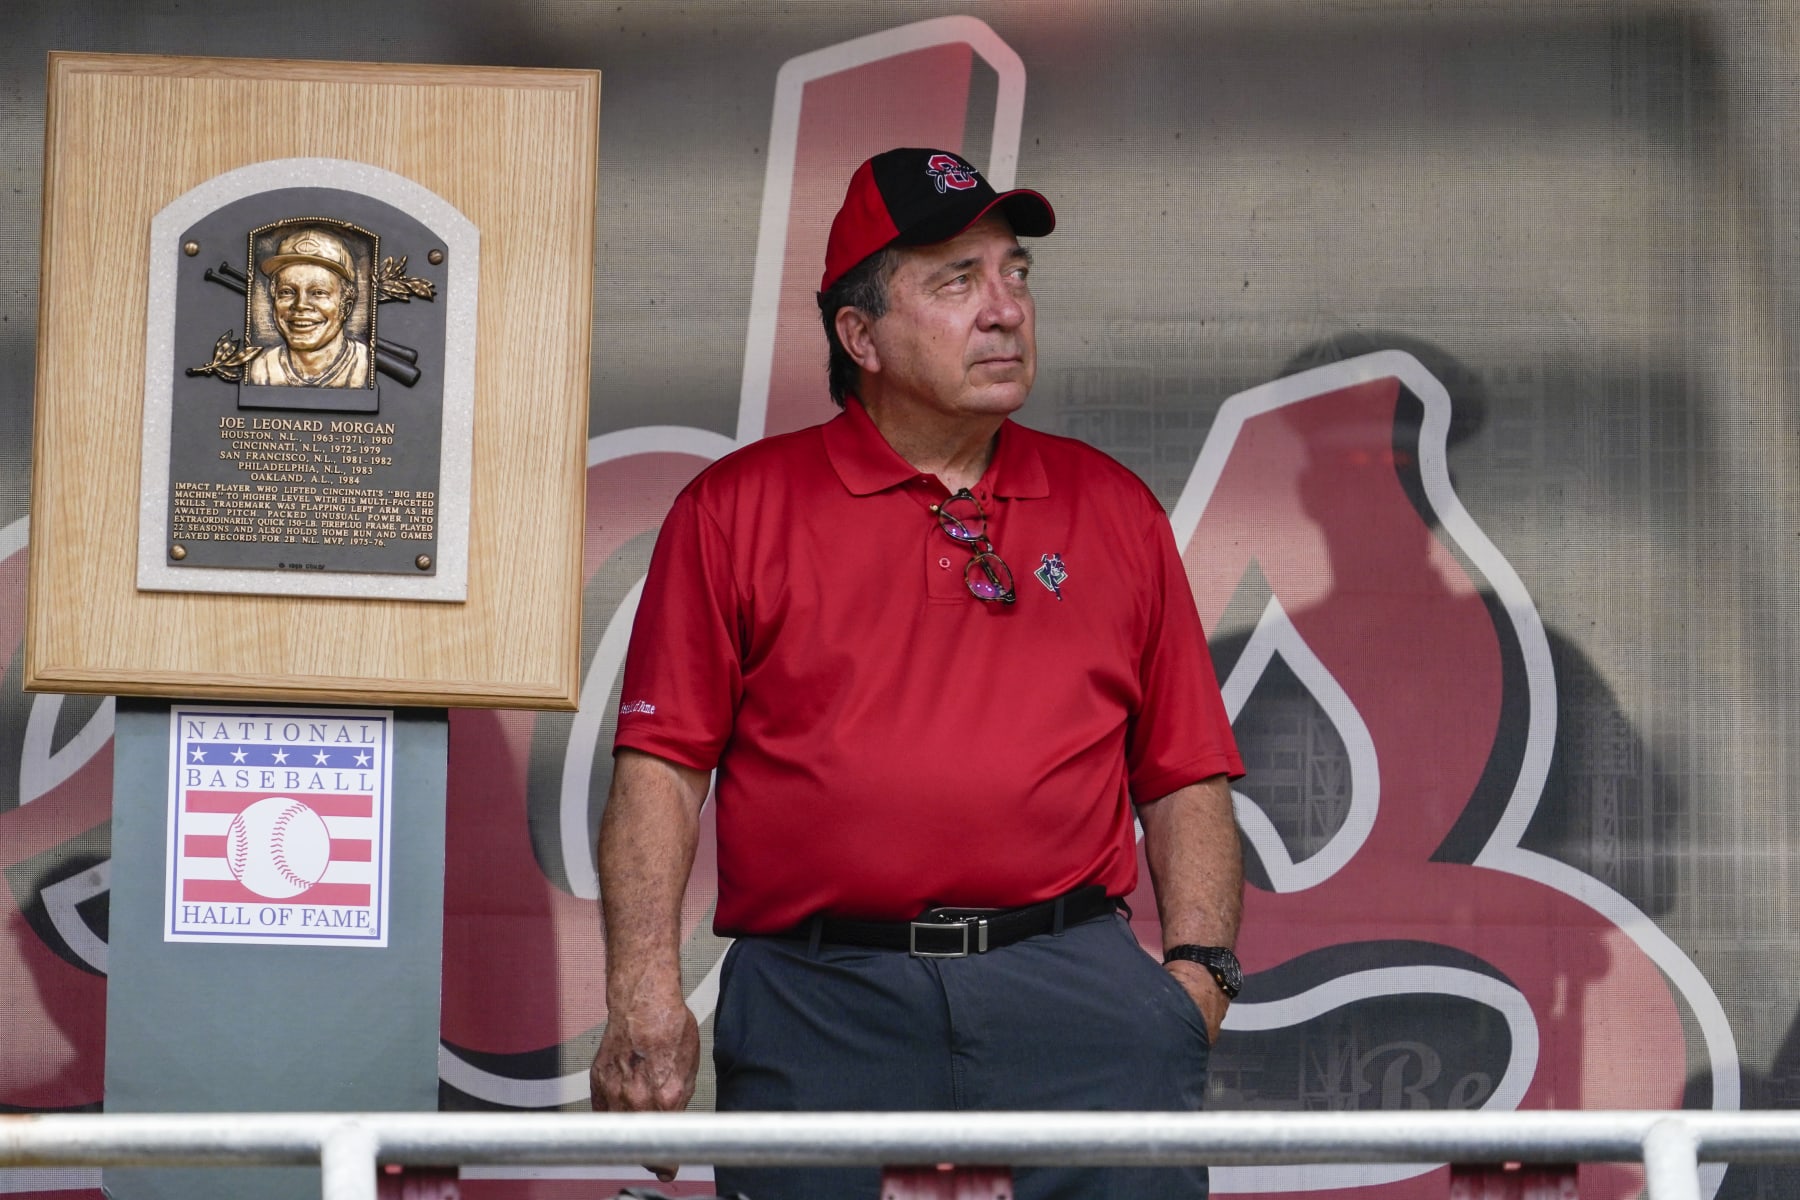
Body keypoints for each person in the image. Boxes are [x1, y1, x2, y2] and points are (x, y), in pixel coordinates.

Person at [591, 147, 1245, 1200]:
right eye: (956, 282)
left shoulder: (1115, 508)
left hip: (1076, 990)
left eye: (1016, 274)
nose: (1005, 310)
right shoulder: (737, 509)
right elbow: (661, 769)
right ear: (860, 337)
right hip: (823, 997)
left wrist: (1196, 980)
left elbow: (1184, 774)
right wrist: (642, 996)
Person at [244, 227, 372, 388]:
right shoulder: (258, 370)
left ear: (346, 307)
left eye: (318, 292)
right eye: (287, 292)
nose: (300, 305)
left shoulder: (367, 367)